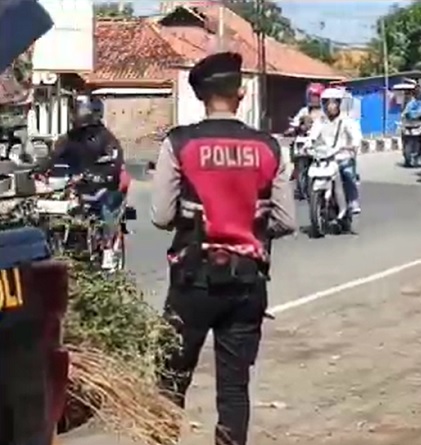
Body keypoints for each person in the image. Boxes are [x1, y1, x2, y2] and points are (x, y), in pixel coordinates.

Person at [150, 51, 297, 445]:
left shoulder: (179, 143)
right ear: (241, 93)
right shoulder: (270, 147)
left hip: (192, 282)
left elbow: (162, 216)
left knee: (170, 380)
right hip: (247, 284)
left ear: (200, 97)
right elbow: (286, 220)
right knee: (233, 389)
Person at [34, 95, 130, 270]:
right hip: (78, 185)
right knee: (51, 211)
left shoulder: (106, 137)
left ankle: (108, 251)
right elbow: (53, 158)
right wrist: (40, 171)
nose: (80, 114)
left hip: (104, 184)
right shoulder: (69, 138)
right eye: (77, 109)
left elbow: (115, 161)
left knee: (106, 210)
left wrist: (102, 175)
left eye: (84, 109)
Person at [307, 87, 363, 214]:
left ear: (339, 104)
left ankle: (352, 201)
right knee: (311, 172)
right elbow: (313, 134)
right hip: (325, 157)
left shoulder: (346, 120)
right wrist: (308, 143)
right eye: (327, 102)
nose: (330, 106)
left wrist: (354, 145)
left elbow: (355, 135)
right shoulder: (320, 120)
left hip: (343, 156)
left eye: (333, 102)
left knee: (348, 175)